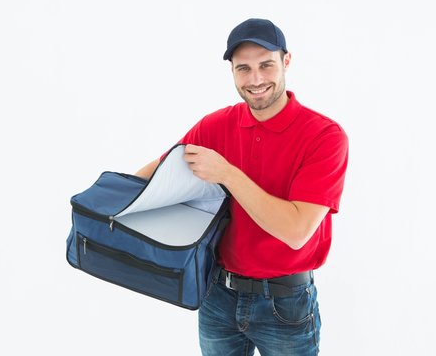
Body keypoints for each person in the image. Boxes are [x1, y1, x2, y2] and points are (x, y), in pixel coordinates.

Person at [135, 18, 348, 356]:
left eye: (266, 65)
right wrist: (108, 202)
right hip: (216, 295)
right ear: (232, 72)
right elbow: (158, 173)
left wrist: (228, 173)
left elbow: (295, 231)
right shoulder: (217, 125)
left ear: (286, 62)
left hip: (285, 304)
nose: (256, 79)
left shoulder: (324, 136)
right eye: (243, 69)